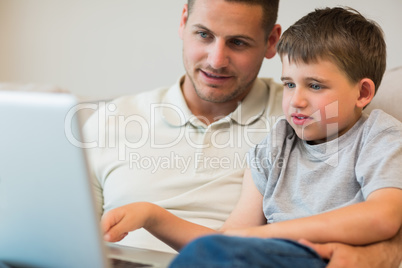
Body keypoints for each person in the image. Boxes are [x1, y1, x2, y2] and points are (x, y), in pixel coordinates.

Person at [99, 6, 402, 267]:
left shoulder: (378, 135)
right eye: (289, 84)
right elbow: (230, 239)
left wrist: (263, 235)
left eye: (315, 86)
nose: (296, 100)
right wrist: (152, 216)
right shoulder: (275, 144)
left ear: (363, 93)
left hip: (318, 257)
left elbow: (384, 217)